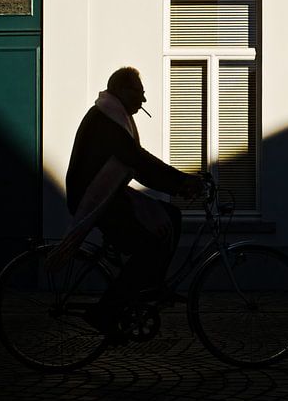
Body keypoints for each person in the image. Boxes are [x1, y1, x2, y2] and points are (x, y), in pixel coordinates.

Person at [65, 66, 201, 338]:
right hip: (96, 200)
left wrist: (178, 184)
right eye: (140, 93)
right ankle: (105, 312)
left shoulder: (113, 116)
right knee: (148, 246)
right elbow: (137, 161)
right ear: (123, 91)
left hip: (109, 195)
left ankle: (150, 287)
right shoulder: (107, 120)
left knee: (171, 215)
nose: (144, 100)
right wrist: (182, 182)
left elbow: (138, 163)